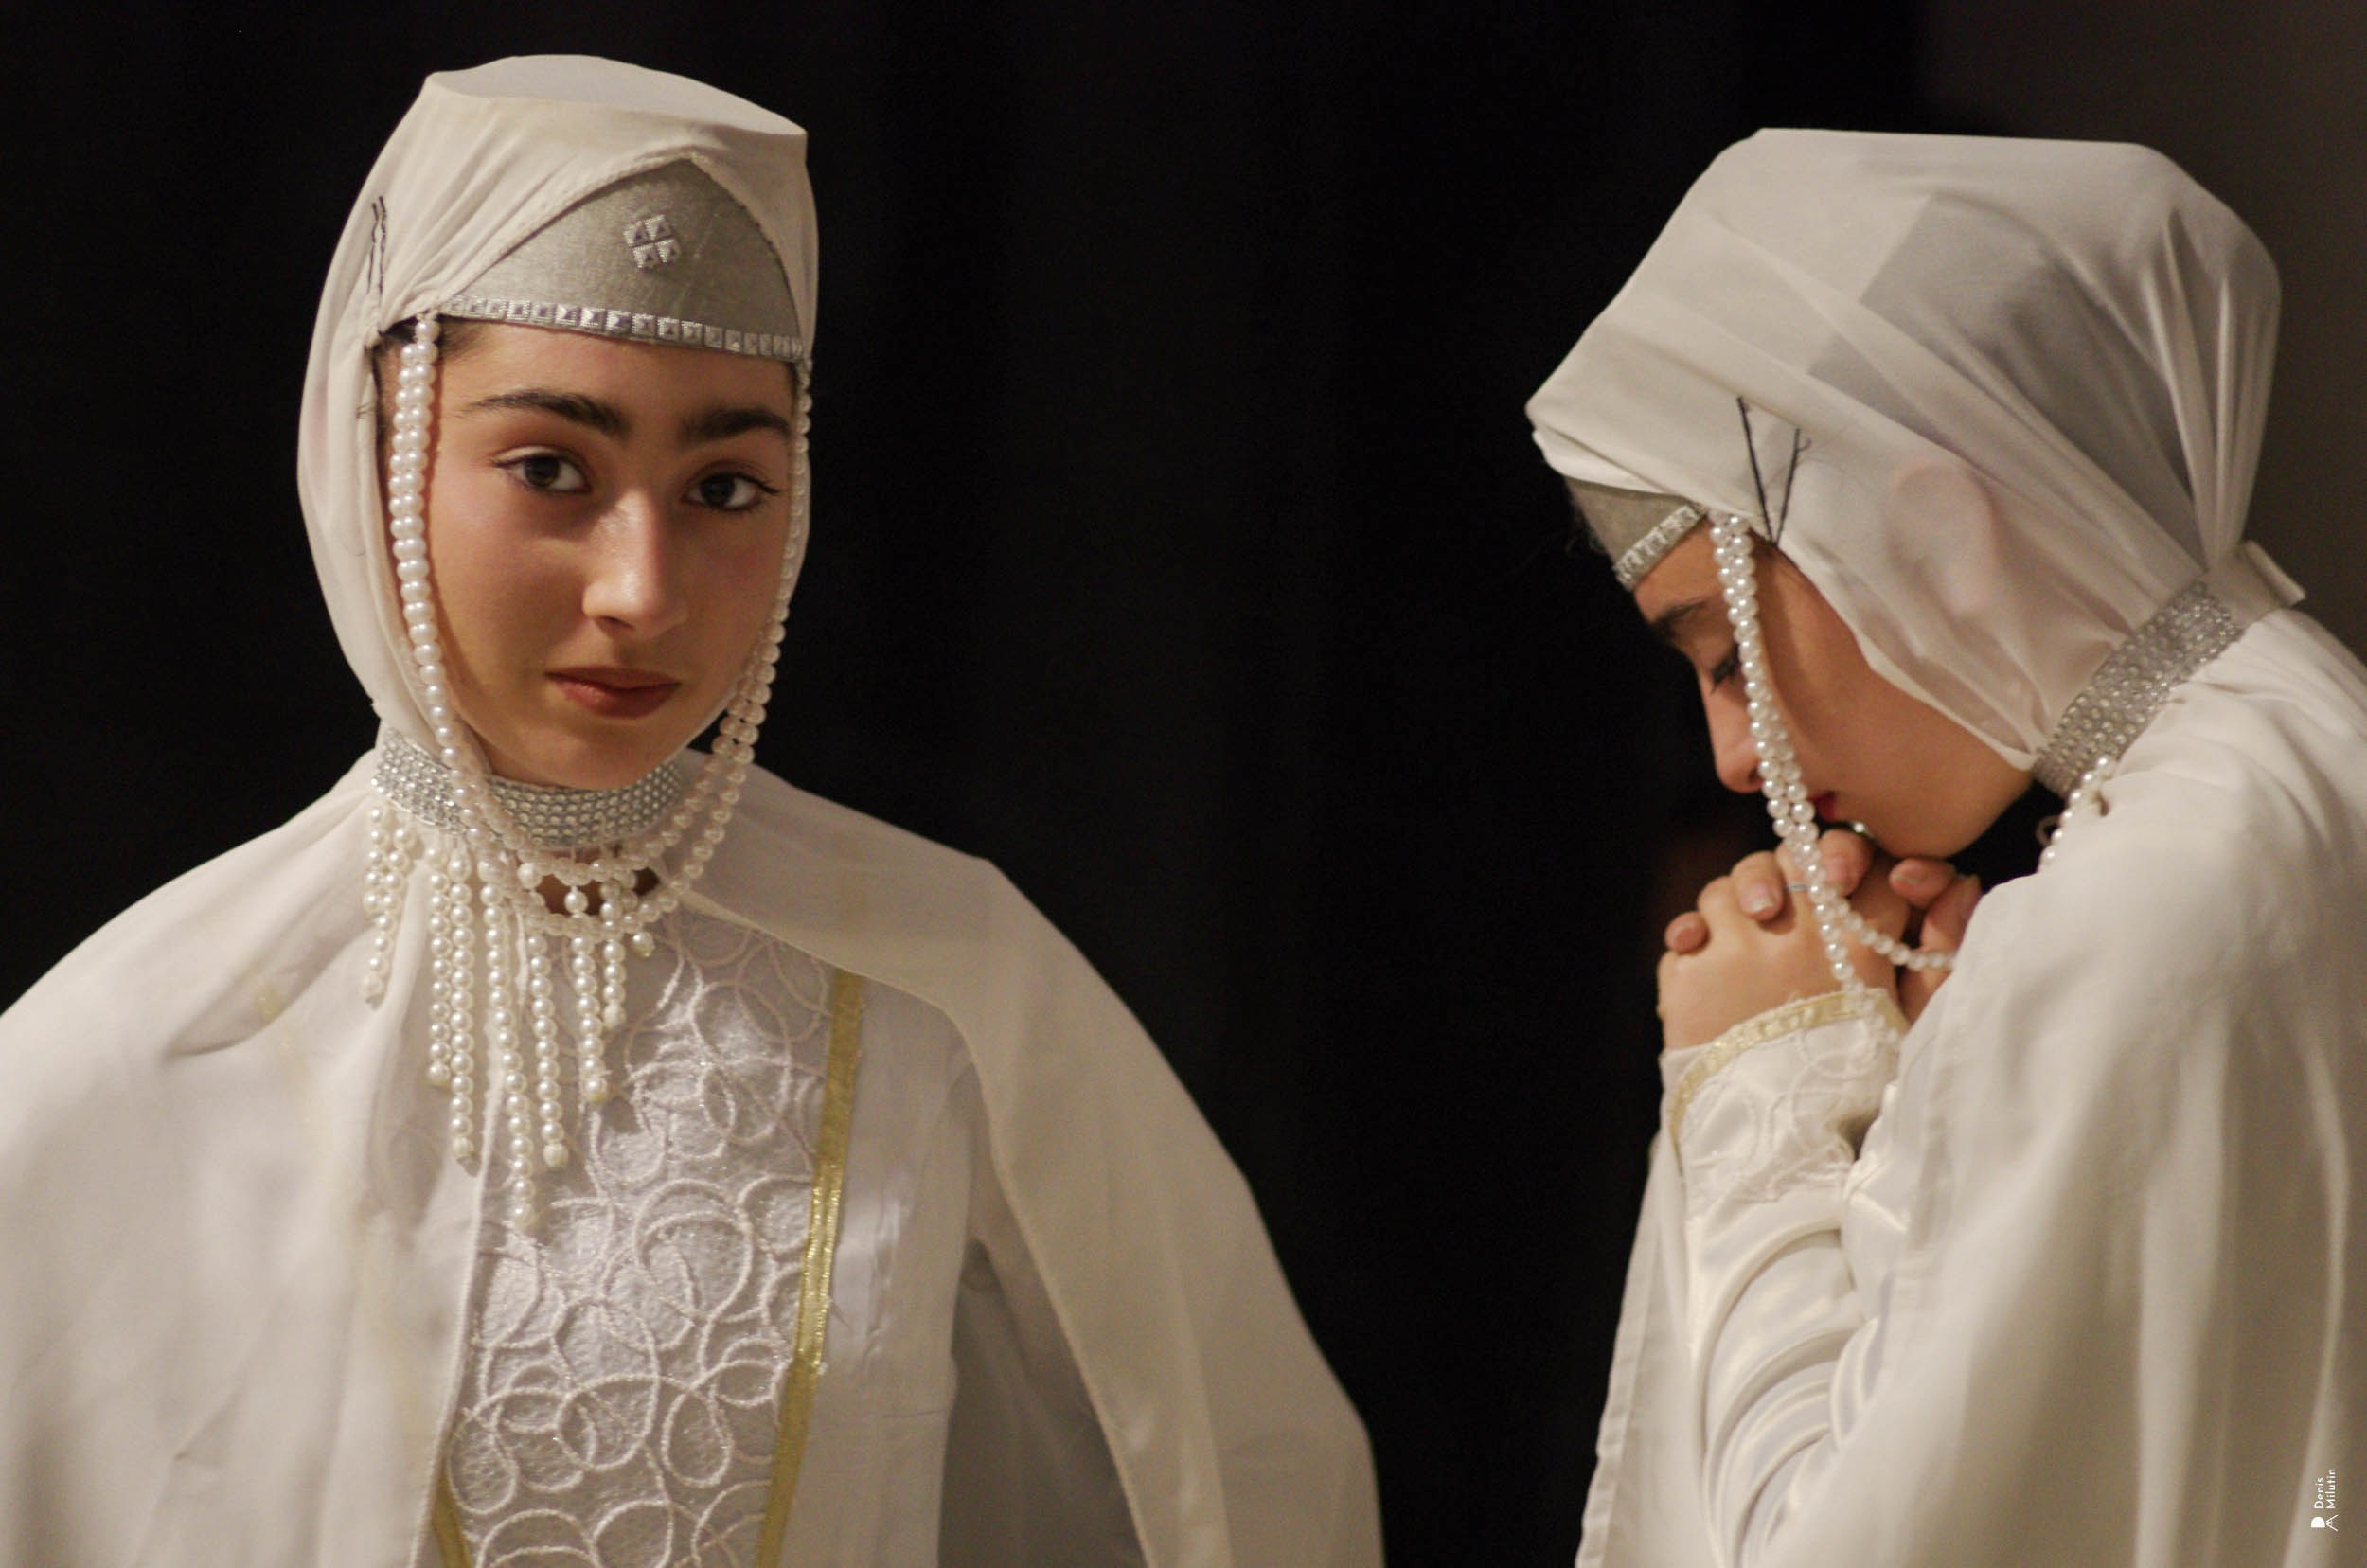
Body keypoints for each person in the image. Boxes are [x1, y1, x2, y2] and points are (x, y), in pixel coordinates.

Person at [0, 56, 1379, 1567]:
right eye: (550, 470)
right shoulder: (143, 1050)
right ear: (376, 446)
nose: (641, 591)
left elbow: (1238, 1494)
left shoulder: (953, 987)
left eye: (725, 488)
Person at [1527, 130, 2360, 1566]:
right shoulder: (2303, 744)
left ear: (1933, 531)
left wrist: (1765, 1095)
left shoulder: (2141, 905)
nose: (1732, 758)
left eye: (1726, 656)